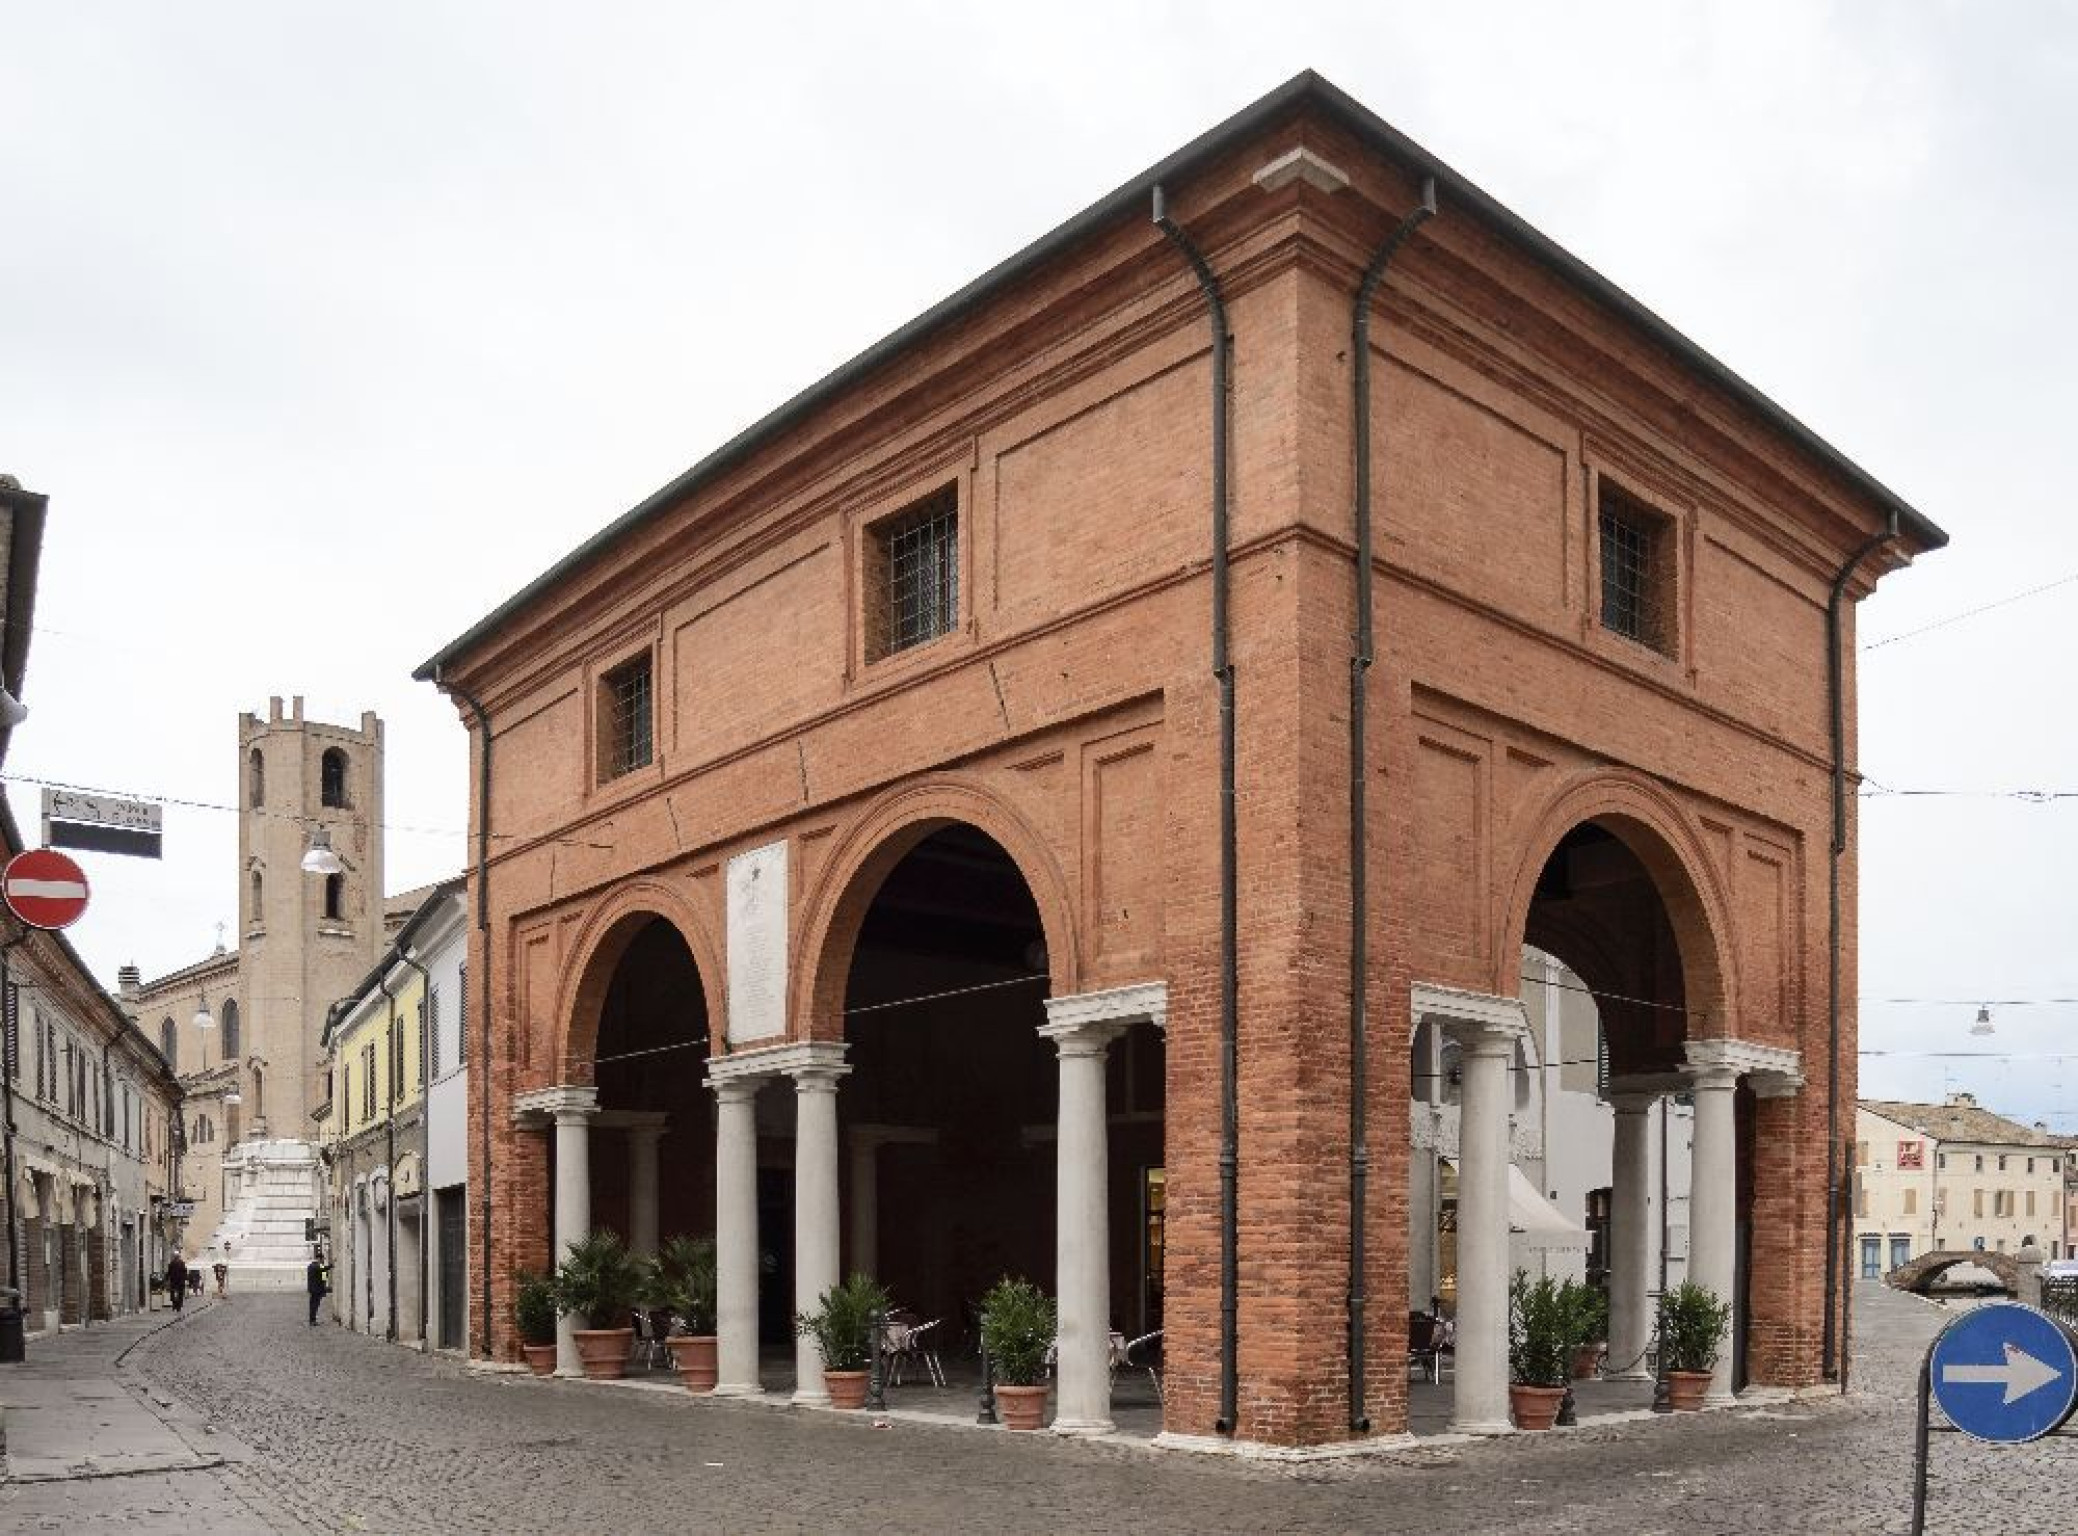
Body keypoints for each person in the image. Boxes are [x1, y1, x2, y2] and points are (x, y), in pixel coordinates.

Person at [306, 1252, 329, 1327]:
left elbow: (324, 1276)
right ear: (319, 1258)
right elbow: (323, 1271)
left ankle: (312, 1320)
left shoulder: (311, 1266)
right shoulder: (315, 1266)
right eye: (322, 1259)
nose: (323, 1261)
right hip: (316, 1290)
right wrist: (331, 1266)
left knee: (313, 1305)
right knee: (314, 1305)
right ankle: (312, 1321)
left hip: (313, 1289)